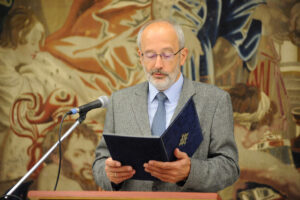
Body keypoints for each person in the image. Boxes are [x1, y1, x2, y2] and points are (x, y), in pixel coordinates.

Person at [92, 19, 239, 192]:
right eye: (150, 55)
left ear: (182, 56)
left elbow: (229, 167)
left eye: (167, 55)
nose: (158, 65)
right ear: (140, 57)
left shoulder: (215, 101)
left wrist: (191, 171)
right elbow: (99, 166)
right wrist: (110, 174)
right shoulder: (119, 101)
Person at [37, 122, 99, 191]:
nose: (90, 161)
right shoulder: (51, 173)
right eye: (77, 155)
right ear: (56, 157)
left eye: (91, 154)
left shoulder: (87, 182)